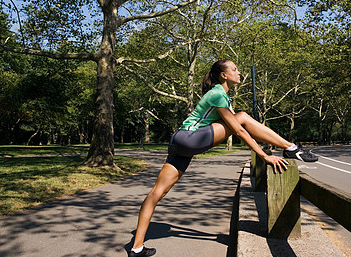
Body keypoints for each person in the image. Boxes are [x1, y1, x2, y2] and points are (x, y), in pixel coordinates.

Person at [129, 59, 317, 257]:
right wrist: (263, 156)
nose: (238, 72)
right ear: (223, 75)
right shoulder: (218, 93)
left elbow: (233, 127)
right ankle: (291, 147)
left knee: (157, 193)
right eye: (234, 69)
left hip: (180, 142)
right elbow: (238, 130)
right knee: (243, 117)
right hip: (189, 139)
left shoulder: (220, 96)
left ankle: (136, 247)